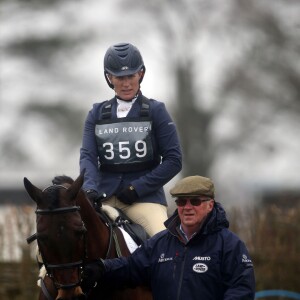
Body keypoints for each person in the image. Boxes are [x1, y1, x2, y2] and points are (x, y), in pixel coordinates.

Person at [84, 175, 256, 299]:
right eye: (181, 202)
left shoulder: (230, 245)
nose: (187, 207)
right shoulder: (159, 243)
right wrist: (102, 267)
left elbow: (241, 291)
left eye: (195, 201)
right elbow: (131, 267)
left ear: (210, 205)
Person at [79, 42, 182, 237]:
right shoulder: (96, 114)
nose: (126, 84)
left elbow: (174, 160)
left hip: (145, 199)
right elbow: (88, 157)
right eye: (119, 77)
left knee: (164, 240)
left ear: (140, 74)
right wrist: (89, 188)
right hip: (104, 196)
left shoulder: (156, 111)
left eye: (131, 76)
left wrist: (138, 188)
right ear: (109, 77)